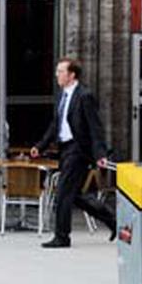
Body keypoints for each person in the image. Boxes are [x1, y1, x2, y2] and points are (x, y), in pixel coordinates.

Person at [31, 58, 116, 248]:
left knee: (62, 193)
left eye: (60, 71)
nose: (57, 75)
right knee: (75, 195)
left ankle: (62, 236)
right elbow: (56, 125)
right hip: (66, 149)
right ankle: (112, 220)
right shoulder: (62, 95)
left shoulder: (84, 96)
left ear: (72, 75)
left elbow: (95, 127)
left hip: (78, 150)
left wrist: (100, 154)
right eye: (57, 71)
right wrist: (41, 146)